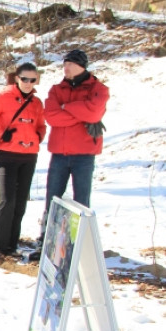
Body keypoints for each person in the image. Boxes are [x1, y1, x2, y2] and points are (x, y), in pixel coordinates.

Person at [0, 62, 46, 264]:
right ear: (17, 78)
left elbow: (41, 124)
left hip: (29, 155)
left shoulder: (36, 102)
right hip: (7, 155)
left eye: (33, 80)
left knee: (21, 202)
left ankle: (12, 246)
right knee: (7, 200)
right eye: (25, 79)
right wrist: (1, 134)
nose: (28, 83)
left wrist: (39, 135)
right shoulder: (4, 97)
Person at [39, 49, 109, 243]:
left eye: (70, 64)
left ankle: (78, 241)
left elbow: (94, 113)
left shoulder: (98, 89)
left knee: (82, 201)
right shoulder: (56, 89)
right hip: (59, 154)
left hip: (84, 154)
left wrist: (66, 108)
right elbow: (51, 116)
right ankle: (46, 239)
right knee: (52, 199)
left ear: (81, 66)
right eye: (64, 64)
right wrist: (80, 114)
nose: (66, 68)